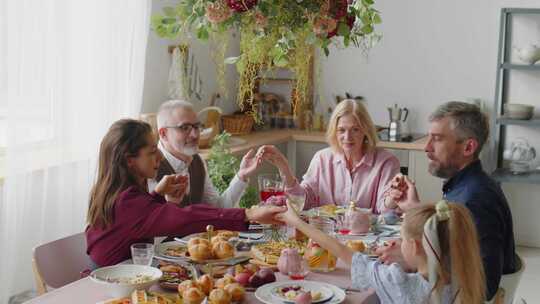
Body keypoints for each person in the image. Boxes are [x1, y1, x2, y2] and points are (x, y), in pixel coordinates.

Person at [86, 119, 285, 266]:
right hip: (111, 285)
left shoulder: (112, 190)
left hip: (121, 274)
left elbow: (137, 222)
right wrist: (248, 214)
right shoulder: (128, 201)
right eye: (152, 152)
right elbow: (186, 217)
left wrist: (157, 196)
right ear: (130, 160)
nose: (160, 157)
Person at [379, 101, 517, 300]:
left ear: (468, 147)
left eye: (436, 139)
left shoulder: (475, 201)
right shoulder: (466, 186)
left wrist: (414, 261)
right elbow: (454, 247)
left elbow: (484, 285)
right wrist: (415, 210)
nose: (426, 148)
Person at [277, 200, 486, 303]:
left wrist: (297, 222)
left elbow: (342, 251)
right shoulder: (461, 276)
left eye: (402, 238)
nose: (397, 241)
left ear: (415, 246)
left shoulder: (398, 282)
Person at [260, 99, 400, 213]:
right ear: (334, 131)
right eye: (341, 130)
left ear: (365, 131)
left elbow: (385, 212)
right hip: (325, 235)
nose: (347, 137)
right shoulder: (322, 159)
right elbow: (303, 202)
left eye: (355, 130)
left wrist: (394, 197)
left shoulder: (386, 162)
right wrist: (284, 169)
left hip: (368, 238)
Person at [150, 99, 260, 207]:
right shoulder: (150, 167)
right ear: (163, 134)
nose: (195, 135)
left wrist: (241, 176)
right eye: (185, 128)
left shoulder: (198, 161)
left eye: (196, 126)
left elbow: (217, 207)